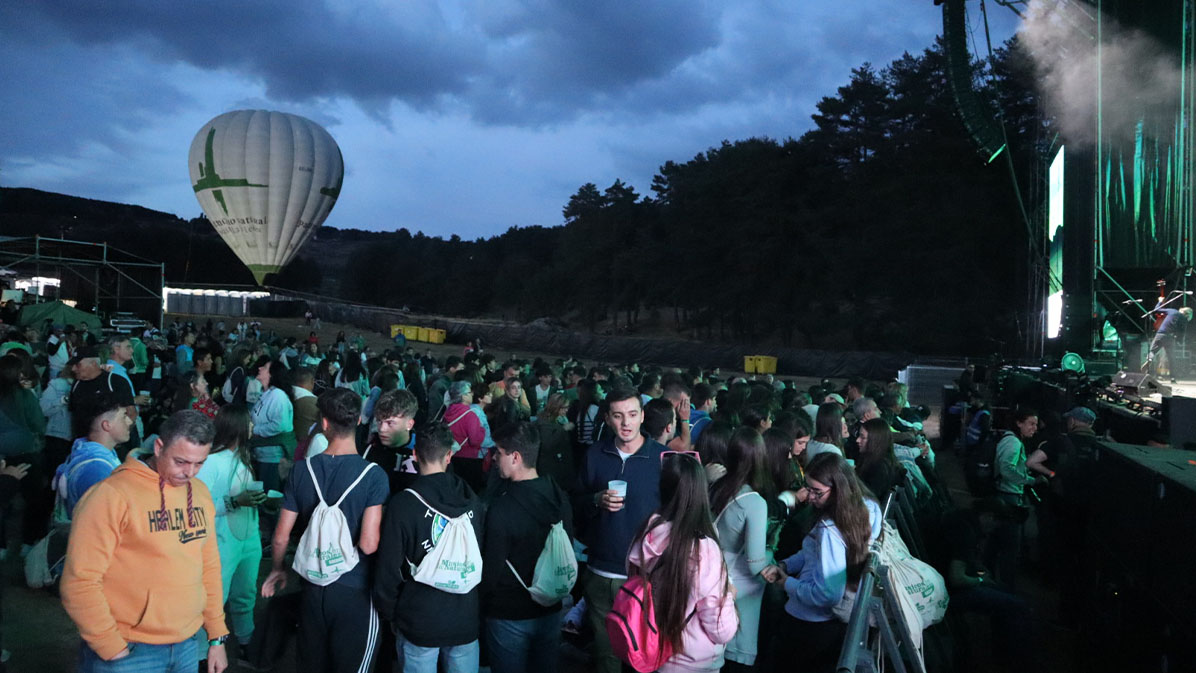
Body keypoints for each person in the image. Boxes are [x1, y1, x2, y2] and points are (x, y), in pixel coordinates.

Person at [60, 410, 229, 673]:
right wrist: (109, 644)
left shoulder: (200, 493)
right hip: (130, 648)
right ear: (159, 447)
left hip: (187, 644)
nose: (190, 473)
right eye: (181, 461)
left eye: (199, 464)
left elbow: (208, 567)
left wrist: (216, 635)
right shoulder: (111, 496)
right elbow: (80, 580)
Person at [262, 389, 389, 673]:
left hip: (311, 586)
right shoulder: (373, 475)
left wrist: (278, 569)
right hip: (354, 589)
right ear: (358, 420)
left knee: (311, 663)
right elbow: (368, 544)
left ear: (325, 423)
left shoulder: (300, 470)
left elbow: (281, 535)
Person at [374, 424, 486, 673]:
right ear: (449, 456)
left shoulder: (403, 503)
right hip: (464, 616)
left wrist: (391, 611)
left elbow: (389, 568)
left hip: (418, 619)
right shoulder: (473, 501)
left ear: (414, 455)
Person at [574, 388, 666, 673]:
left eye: (632, 415)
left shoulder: (663, 459)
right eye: (618, 416)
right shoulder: (595, 454)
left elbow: (678, 514)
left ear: (642, 417)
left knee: (646, 656)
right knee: (606, 657)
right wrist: (594, 500)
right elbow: (574, 503)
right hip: (601, 572)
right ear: (608, 419)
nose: (626, 423)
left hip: (647, 576)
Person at [625, 450, 738, 673]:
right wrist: (729, 596)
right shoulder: (703, 548)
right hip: (691, 663)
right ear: (700, 492)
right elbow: (721, 629)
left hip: (650, 651)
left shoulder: (645, 533)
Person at [771, 453, 883, 673]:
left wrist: (787, 584)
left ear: (838, 488)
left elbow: (827, 594)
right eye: (808, 488)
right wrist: (786, 565)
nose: (810, 497)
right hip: (841, 619)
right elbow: (813, 551)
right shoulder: (868, 506)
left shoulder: (830, 529)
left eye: (817, 492)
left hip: (811, 621)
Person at [482, 422, 573, 673]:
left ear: (515, 457)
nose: (494, 458)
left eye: (498, 453)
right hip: (551, 606)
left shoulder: (502, 508)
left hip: (509, 615)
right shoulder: (558, 496)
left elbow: (491, 569)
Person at [194, 405, 265, 654]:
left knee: (246, 594)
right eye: (249, 423)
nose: (253, 427)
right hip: (221, 543)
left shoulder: (242, 458)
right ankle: (203, 654)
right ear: (237, 427)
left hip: (248, 539)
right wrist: (235, 502)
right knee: (215, 599)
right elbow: (195, 508)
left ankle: (246, 643)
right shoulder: (211, 462)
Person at [710, 427, 774, 671]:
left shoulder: (715, 487)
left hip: (711, 578)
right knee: (736, 655)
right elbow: (755, 563)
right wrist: (771, 555)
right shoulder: (755, 502)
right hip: (739, 588)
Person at [54, 394, 131, 520]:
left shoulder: (88, 453)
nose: (129, 421)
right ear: (107, 425)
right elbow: (105, 520)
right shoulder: (96, 470)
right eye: (123, 416)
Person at [0, 353, 48, 554]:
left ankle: (1, 546)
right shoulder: (26, 395)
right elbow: (38, 423)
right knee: (34, 498)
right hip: (27, 453)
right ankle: (28, 543)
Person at [249, 361, 295, 494]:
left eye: (264, 367)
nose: (259, 367)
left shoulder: (278, 395)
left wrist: (254, 430)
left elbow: (279, 425)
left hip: (273, 457)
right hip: (263, 455)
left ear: (272, 374)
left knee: (270, 496)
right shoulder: (266, 394)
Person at [533, 392, 576, 489]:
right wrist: (563, 429)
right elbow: (547, 444)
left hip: (559, 465)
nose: (566, 410)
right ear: (556, 407)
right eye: (564, 408)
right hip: (550, 467)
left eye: (567, 407)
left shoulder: (560, 419)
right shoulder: (544, 423)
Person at [855, 418, 903, 498]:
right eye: (858, 436)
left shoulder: (879, 468)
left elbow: (867, 496)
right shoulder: (881, 459)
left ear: (875, 440)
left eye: (863, 437)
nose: (857, 440)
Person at [1148, 304, 1193, 381]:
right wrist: (1179, 341)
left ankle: (1150, 359)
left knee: (1152, 351)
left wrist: (1160, 301)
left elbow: (1156, 310)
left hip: (1160, 334)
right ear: (1187, 315)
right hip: (1170, 338)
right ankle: (1172, 378)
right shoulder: (1184, 320)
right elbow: (1182, 333)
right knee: (1171, 358)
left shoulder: (1172, 311)